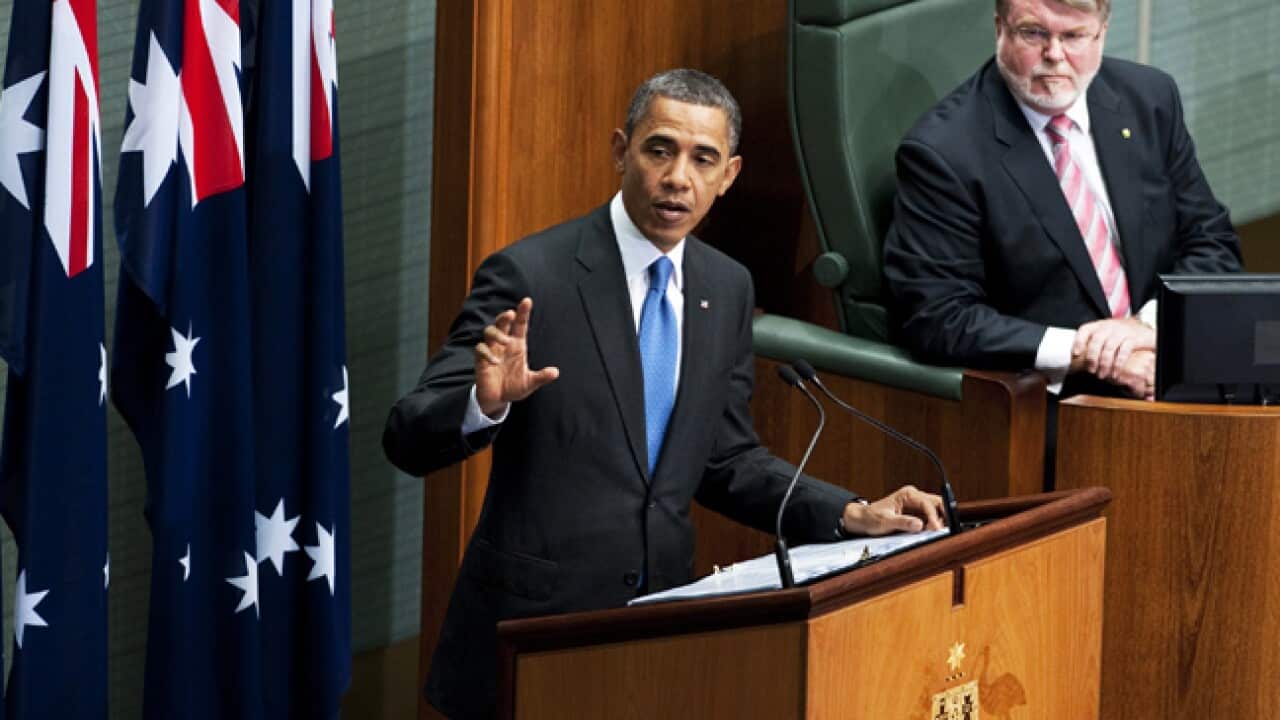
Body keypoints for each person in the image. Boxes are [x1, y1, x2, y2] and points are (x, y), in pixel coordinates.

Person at [384, 69, 945, 719]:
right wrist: (486, 403)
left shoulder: (726, 287)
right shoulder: (533, 276)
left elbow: (725, 460)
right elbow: (406, 435)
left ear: (727, 175)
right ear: (622, 150)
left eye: (702, 158)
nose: (678, 176)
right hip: (535, 642)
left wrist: (854, 515)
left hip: (661, 641)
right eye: (660, 150)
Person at [883, 0, 1242, 404]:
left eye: (1073, 36)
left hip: (1169, 360)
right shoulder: (944, 152)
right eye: (1033, 33)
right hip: (1053, 402)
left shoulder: (1149, 98)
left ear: (1101, 33)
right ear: (1000, 28)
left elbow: (1212, 242)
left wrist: (1146, 326)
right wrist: (1088, 352)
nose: (1054, 55)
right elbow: (940, 317)